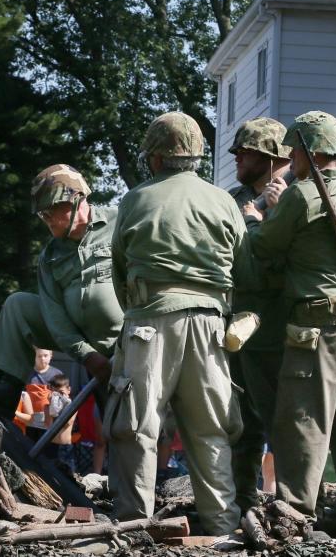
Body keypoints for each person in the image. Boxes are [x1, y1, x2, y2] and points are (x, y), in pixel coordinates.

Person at [105, 111, 247, 535]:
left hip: (150, 324)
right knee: (211, 430)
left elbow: (117, 270)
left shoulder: (135, 199)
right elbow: (246, 268)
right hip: (210, 327)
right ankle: (223, 527)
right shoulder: (223, 201)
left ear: (155, 157)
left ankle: (133, 525)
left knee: (137, 427)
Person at [242, 110, 336, 537]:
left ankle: (295, 513)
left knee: (303, 420)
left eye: (295, 150)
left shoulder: (302, 195)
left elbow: (264, 246)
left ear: (308, 151)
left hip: (318, 324)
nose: (291, 158)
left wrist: (253, 216)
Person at [0, 165, 123, 420]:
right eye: (41, 214)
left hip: (129, 342)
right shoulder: (50, 256)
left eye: (49, 210)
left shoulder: (121, 224)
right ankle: (5, 390)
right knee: (17, 304)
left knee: (125, 428)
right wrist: (86, 355)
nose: (46, 219)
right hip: (85, 344)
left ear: (76, 200)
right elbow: (55, 316)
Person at [227, 117, 292, 511]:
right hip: (238, 319)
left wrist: (271, 216)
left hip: (277, 320)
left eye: (246, 151)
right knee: (240, 418)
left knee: (282, 418)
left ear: (269, 157)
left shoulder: (296, 193)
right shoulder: (233, 200)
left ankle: (295, 502)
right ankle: (243, 500)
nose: (237, 157)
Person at [23, 348, 64, 441]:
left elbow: (62, 396)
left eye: (45, 356)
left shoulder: (57, 374)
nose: (42, 359)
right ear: (34, 357)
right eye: (39, 356)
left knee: (47, 447)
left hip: (49, 420)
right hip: (30, 420)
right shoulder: (27, 373)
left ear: (51, 356)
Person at [47, 374, 76, 470]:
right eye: (55, 393)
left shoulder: (72, 406)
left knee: (68, 474)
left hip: (65, 446)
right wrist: (51, 405)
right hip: (50, 444)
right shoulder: (48, 406)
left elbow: (67, 423)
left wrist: (64, 403)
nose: (58, 397)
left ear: (68, 390)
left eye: (61, 393)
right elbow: (47, 424)